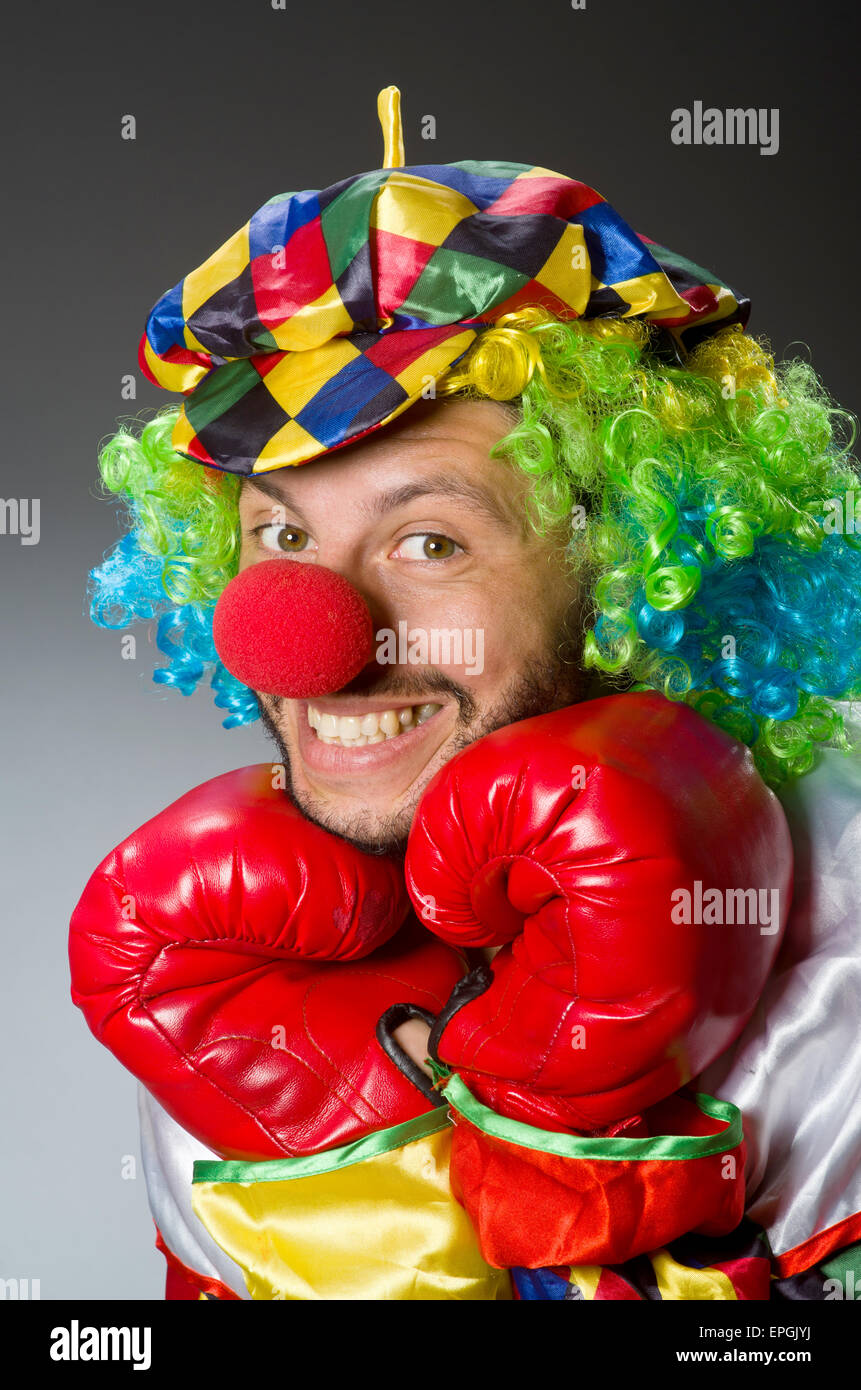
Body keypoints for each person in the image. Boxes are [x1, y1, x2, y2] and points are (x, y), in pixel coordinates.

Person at [70, 88, 861, 1300]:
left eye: (429, 542)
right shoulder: (225, 957)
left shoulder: (843, 966)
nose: (313, 640)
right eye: (281, 539)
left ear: (630, 561)